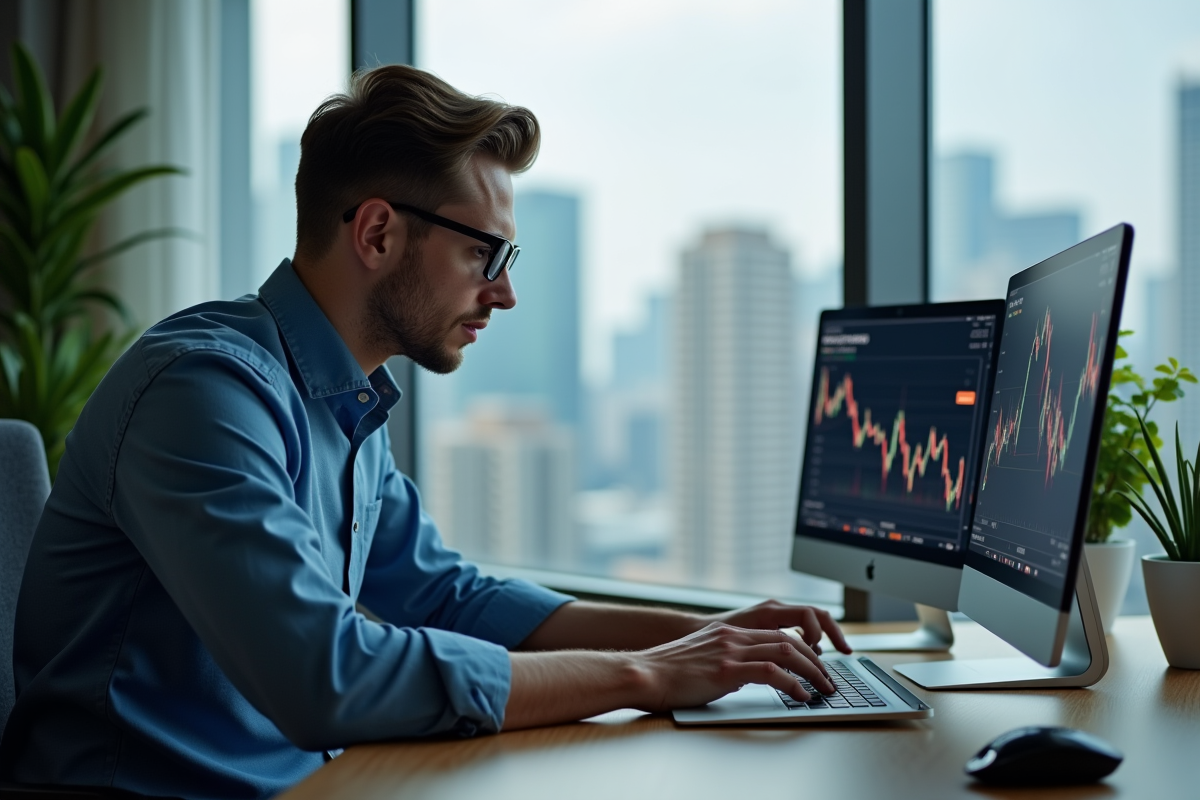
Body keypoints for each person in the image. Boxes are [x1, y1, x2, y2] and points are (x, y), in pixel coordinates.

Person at [0, 65, 849, 799]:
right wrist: (645, 675)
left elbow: (451, 598)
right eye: (487, 254)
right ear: (377, 232)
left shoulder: (349, 401)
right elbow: (326, 678)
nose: (504, 293)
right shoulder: (202, 393)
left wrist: (716, 639)